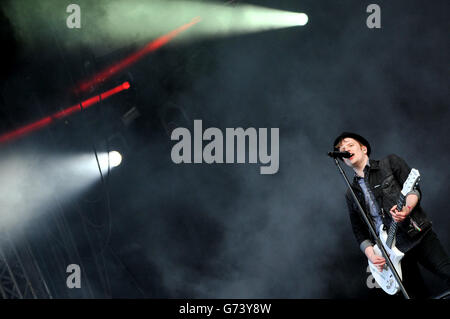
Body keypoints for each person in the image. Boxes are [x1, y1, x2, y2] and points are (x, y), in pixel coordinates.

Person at [333, 132, 450, 298]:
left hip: (417, 235)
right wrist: (371, 254)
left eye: (350, 145)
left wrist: (407, 209)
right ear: (343, 159)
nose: (345, 149)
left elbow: (413, 190)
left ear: (364, 149)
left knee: (447, 272)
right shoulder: (351, 193)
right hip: (391, 252)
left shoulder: (389, 163)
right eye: (341, 149)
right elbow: (359, 231)